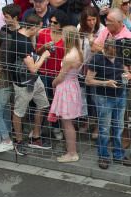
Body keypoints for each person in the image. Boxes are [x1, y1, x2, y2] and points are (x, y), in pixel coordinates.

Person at [8, 11, 52, 155]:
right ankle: (19, 141)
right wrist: (44, 56)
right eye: (39, 28)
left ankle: (36, 137)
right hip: (23, 83)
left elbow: (32, 56)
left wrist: (42, 49)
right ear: (32, 27)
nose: (39, 31)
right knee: (19, 112)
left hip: (34, 80)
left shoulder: (23, 36)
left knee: (43, 105)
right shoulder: (22, 43)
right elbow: (33, 68)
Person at [85, 37, 128, 169]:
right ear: (106, 48)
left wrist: (127, 74)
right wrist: (105, 83)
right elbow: (88, 80)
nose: (114, 54)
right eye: (111, 51)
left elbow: (126, 69)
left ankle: (118, 154)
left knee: (119, 127)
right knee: (104, 129)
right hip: (104, 97)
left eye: (116, 51)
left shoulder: (120, 55)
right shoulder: (97, 59)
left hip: (121, 95)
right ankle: (103, 156)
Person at [49, 26, 83, 163]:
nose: (61, 37)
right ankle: (71, 150)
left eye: (63, 35)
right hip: (72, 85)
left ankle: (72, 153)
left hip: (66, 87)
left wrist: (53, 83)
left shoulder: (70, 56)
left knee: (67, 122)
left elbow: (61, 77)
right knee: (69, 121)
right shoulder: (78, 51)